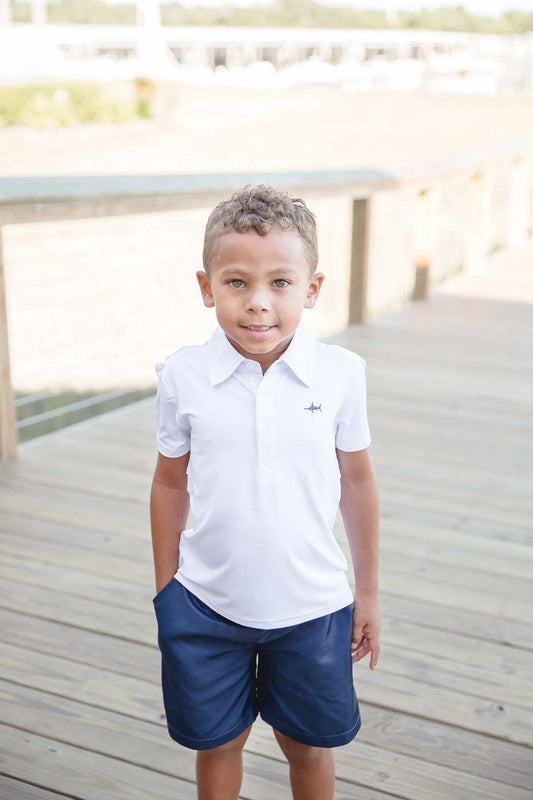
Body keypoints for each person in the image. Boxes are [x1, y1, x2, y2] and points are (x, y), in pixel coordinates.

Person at [150, 184, 380, 800]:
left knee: (307, 746)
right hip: (205, 604)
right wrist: (167, 589)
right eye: (235, 283)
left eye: (280, 283)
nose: (258, 304)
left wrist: (368, 594)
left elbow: (357, 482)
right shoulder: (181, 376)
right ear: (206, 287)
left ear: (311, 287)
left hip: (312, 606)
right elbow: (169, 481)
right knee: (217, 742)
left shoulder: (340, 376)